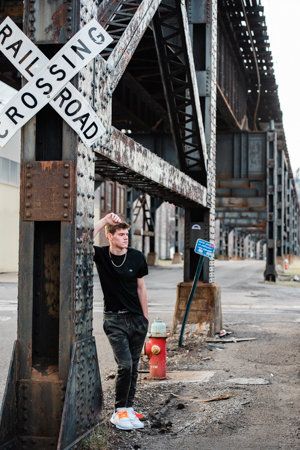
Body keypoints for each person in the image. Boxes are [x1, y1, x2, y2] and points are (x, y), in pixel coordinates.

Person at [93, 212, 149, 431]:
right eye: (122, 234)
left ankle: (129, 408)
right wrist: (105, 221)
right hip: (114, 319)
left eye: (127, 234)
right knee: (125, 365)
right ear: (110, 236)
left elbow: (141, 287)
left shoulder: (136, 257)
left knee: (134, 366)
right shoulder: (101, 256)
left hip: (136, 319)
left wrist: (145, 317)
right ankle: (118, 412)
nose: (126, 238)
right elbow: (81, 240)